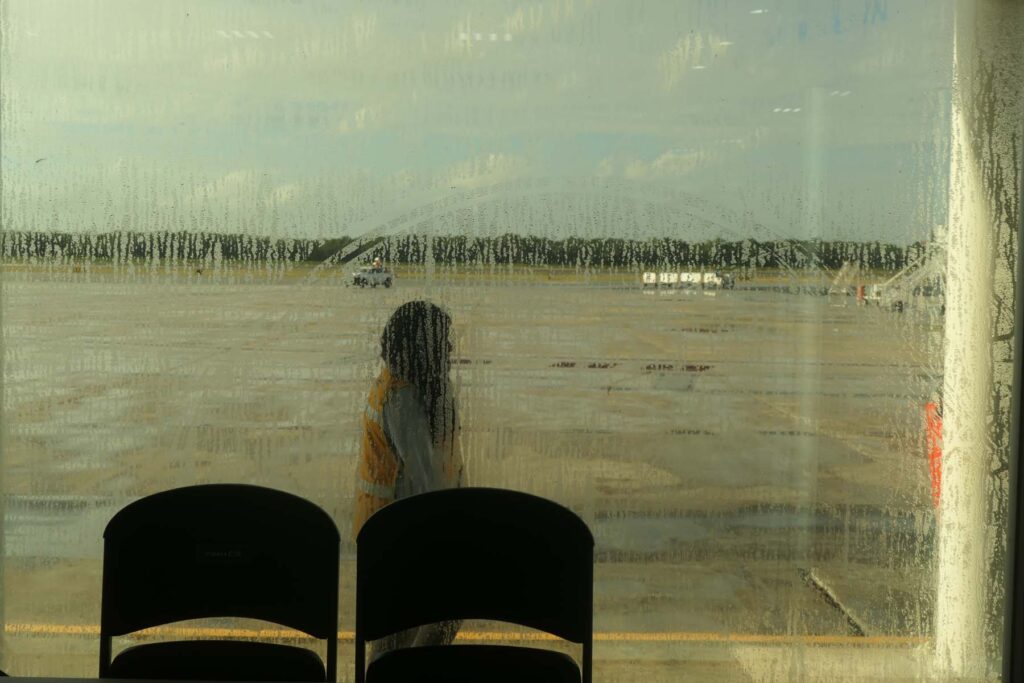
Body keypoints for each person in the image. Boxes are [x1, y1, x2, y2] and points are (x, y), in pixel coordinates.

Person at [353, 300, 464, 654]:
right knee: (410, 626)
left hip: (399, 527)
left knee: (399, 632)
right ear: (422, 349)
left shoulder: (411, 388)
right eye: (441, 341)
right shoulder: (401, 400)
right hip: (397, 531)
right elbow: (428, 479)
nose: (449, 348)